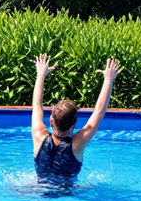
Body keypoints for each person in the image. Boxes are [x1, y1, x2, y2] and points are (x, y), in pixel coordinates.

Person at [31, 53, 122, 185]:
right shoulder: (77, 143)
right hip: (67, 193)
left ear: (51, 120)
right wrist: (109, 79)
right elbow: (98, 112)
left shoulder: (38, 135)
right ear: (73, 125)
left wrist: (41, 74)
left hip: (39, 190)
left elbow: (37, 105)